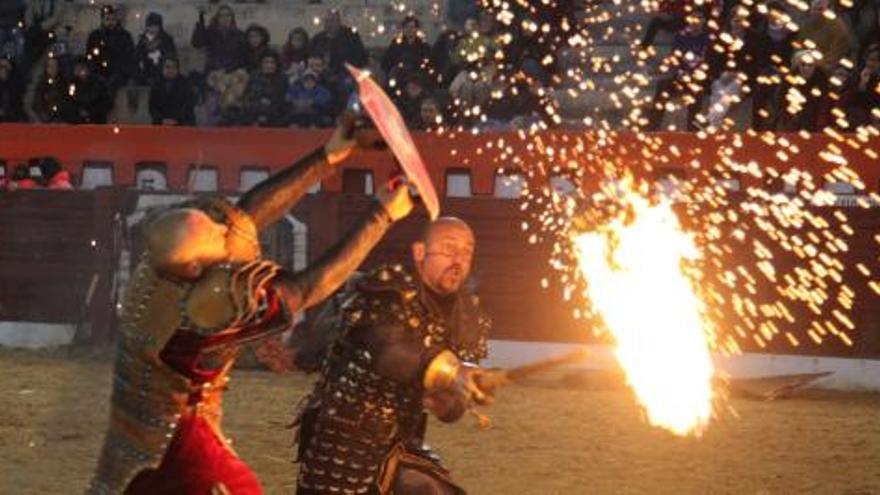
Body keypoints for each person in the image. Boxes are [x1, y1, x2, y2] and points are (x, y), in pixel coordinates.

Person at [87, 117, 415, 495]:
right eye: (212, 233)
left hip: (139, 429)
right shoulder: (204, 307)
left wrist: (329, 155)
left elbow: (244, 216)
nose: (220, 228)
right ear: (196, 267)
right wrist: (382, 214)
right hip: (179, 439)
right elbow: (304, 290)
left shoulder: (161, 264)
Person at [294, 217, 493, 495]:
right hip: (345, 440)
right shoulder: (389, 289)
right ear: (420, 252)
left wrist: (454, 398)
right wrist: (453, 373)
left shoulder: (465, 316)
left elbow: (449, 410)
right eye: (448, 249)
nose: (458, 259)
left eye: (466, 251)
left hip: (401, 443)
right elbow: (390, 353)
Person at [85, 5, 135, 95]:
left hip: (118, 73)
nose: (111, 22)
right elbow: (90, 57)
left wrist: (120, 72)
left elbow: (129, 58)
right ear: (102, 20)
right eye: (107, 19)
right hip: (99, 72)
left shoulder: (125, 36)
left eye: (113, 19)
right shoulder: (95, 36)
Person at [191, 4, 248, 74]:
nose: (225, 18)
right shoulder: (210, 32)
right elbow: (197, 43)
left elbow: (243, 56)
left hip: (233, 73)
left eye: (227, 15)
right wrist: (201, 24)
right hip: (214, 72)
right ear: (217, 18)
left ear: (232, 17)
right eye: (221, 16)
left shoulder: (239, 34)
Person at [133, 12, 177, 86]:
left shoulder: (166, 40)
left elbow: (171, 57)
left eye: (155, 26)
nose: (152, 29)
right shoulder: (143, 41)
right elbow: (136, 58)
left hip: (162, 75)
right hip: (146, 74)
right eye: (150, 27)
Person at [148, 58, 196, 126]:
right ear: (162, 68)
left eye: (174, 67)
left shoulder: (186, 84)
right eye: (167, 67)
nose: (171, 70)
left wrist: (175, 120)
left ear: (178, 69)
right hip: (161, 124)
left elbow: (188, 107)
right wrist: (162, 120)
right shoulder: (156, 84)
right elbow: (152, 108)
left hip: (183, 125)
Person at [66, 57, 113, 124]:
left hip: (97, 120)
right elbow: (69, 101)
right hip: (78, 122)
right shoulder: (72, 84)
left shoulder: (98, 83)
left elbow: (106, 102)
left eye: (82, 68)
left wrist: (91, 111)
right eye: (78, 68)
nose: (80, 71)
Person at [0, 56, 25, 122]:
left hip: (13, 117)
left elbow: (16, 101)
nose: (3, 70)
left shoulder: (16, 81)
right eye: (1, 67)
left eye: (6, 67)